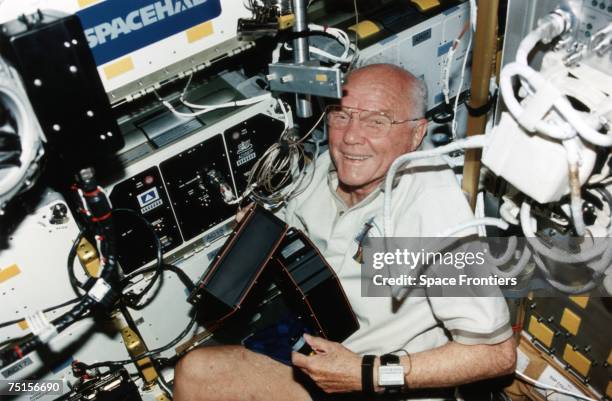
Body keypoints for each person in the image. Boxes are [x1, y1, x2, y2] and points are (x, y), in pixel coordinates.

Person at [173, 64, 516, 401]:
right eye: (341, 115)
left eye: (376, 121)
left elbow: (497, 355)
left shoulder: (432, 206)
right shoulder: (320, 170)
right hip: (319, 346)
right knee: (195, 371)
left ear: (416, 133)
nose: (351, 136)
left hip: (383, 377)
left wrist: (370, 375)